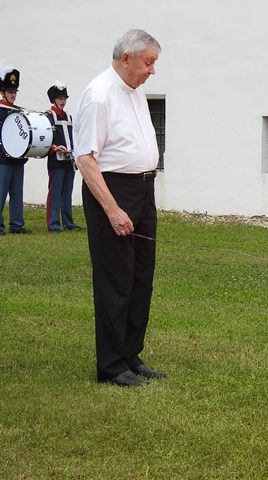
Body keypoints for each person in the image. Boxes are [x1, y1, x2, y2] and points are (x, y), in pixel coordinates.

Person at [74, 29, 164, 387]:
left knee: (141, 277)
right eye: (148, 62)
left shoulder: (135, 91)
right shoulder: (99, 95)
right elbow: (85, 158)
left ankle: (130, 354)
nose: (152, 71)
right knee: (116, 279)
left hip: (143, 189)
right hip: (112, 192)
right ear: (126, 58)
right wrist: (112, 209)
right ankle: (110, 364)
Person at [45, 81, 81, 232]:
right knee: (55, 192)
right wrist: (54, 147)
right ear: (54, 99)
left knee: (67, 192)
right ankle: (53, 224)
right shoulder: (48, 116)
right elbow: (44, 139)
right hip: (56, 160)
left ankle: (68, 222)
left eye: (64, 98)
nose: (63, 101)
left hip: (69, 161)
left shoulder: (69, 117)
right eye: (60, 98)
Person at [0, 64, 31, 235]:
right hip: (2, 159)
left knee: (17, 194)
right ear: (3, 92)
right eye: (10, 92)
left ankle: (17, 225)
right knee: (0, 193)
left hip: (18, 159)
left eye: (15, 92)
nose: (13, 95)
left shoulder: (18, 111)